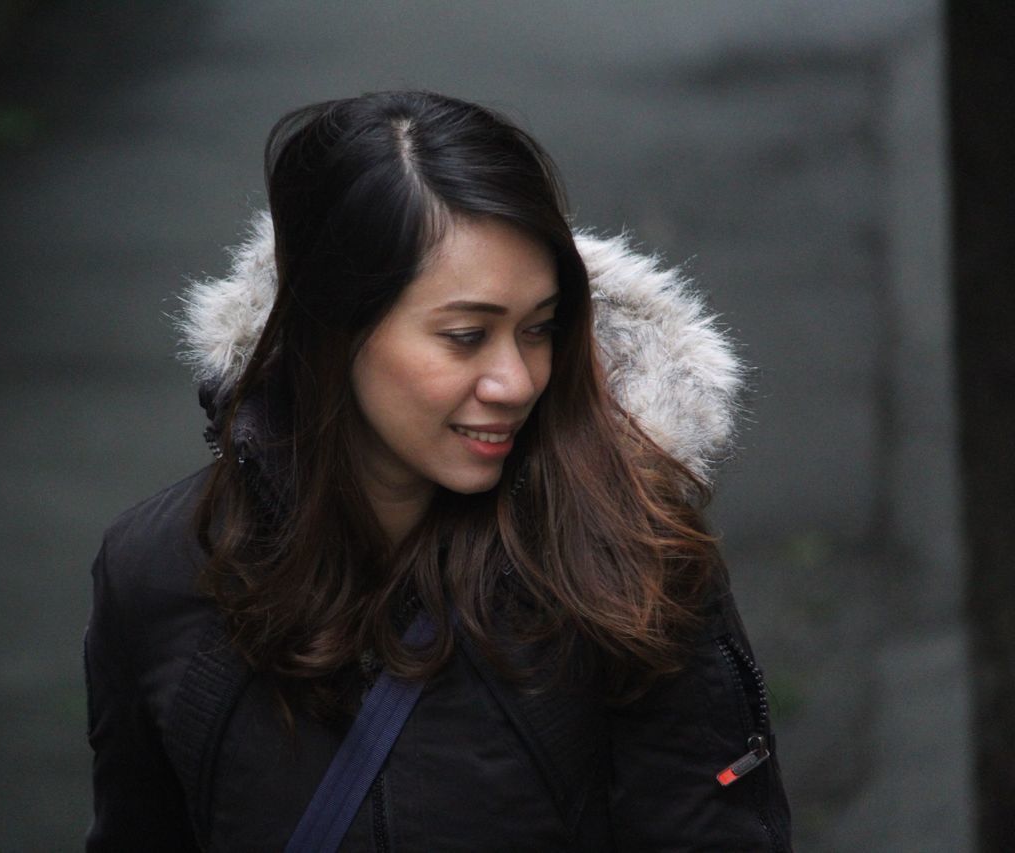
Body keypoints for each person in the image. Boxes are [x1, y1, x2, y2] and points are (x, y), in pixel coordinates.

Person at [84, 90, 791, 851]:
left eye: (540, 330)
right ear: (329, 329)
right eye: (464, 336)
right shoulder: (156, 574)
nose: (516, 381)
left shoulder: (626, 557)